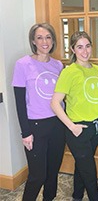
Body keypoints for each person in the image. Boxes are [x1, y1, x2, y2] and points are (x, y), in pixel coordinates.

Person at [12, 23, 65, 201]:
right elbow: (19, 102)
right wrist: (25, 132)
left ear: (53, 40)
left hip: (57, 125)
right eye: (40, 37)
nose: (45, 41)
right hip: (35, 127)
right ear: (33, 41)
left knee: (52, 173)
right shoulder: (22, 64)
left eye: (48, 37)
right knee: (37, 176)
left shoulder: (58, 65)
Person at [51, 31, 98, 201]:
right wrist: (72, 126)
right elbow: (54, 103)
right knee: (89, 170)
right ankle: (96, 198)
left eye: (87, 46)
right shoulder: (69, 72)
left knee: (83, 165)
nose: (84, 51)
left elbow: (97, 95)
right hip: (78, 129)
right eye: (79, 47)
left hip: (97, 127)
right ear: (73, 49)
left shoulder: (97, 69)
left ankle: (77, 195)